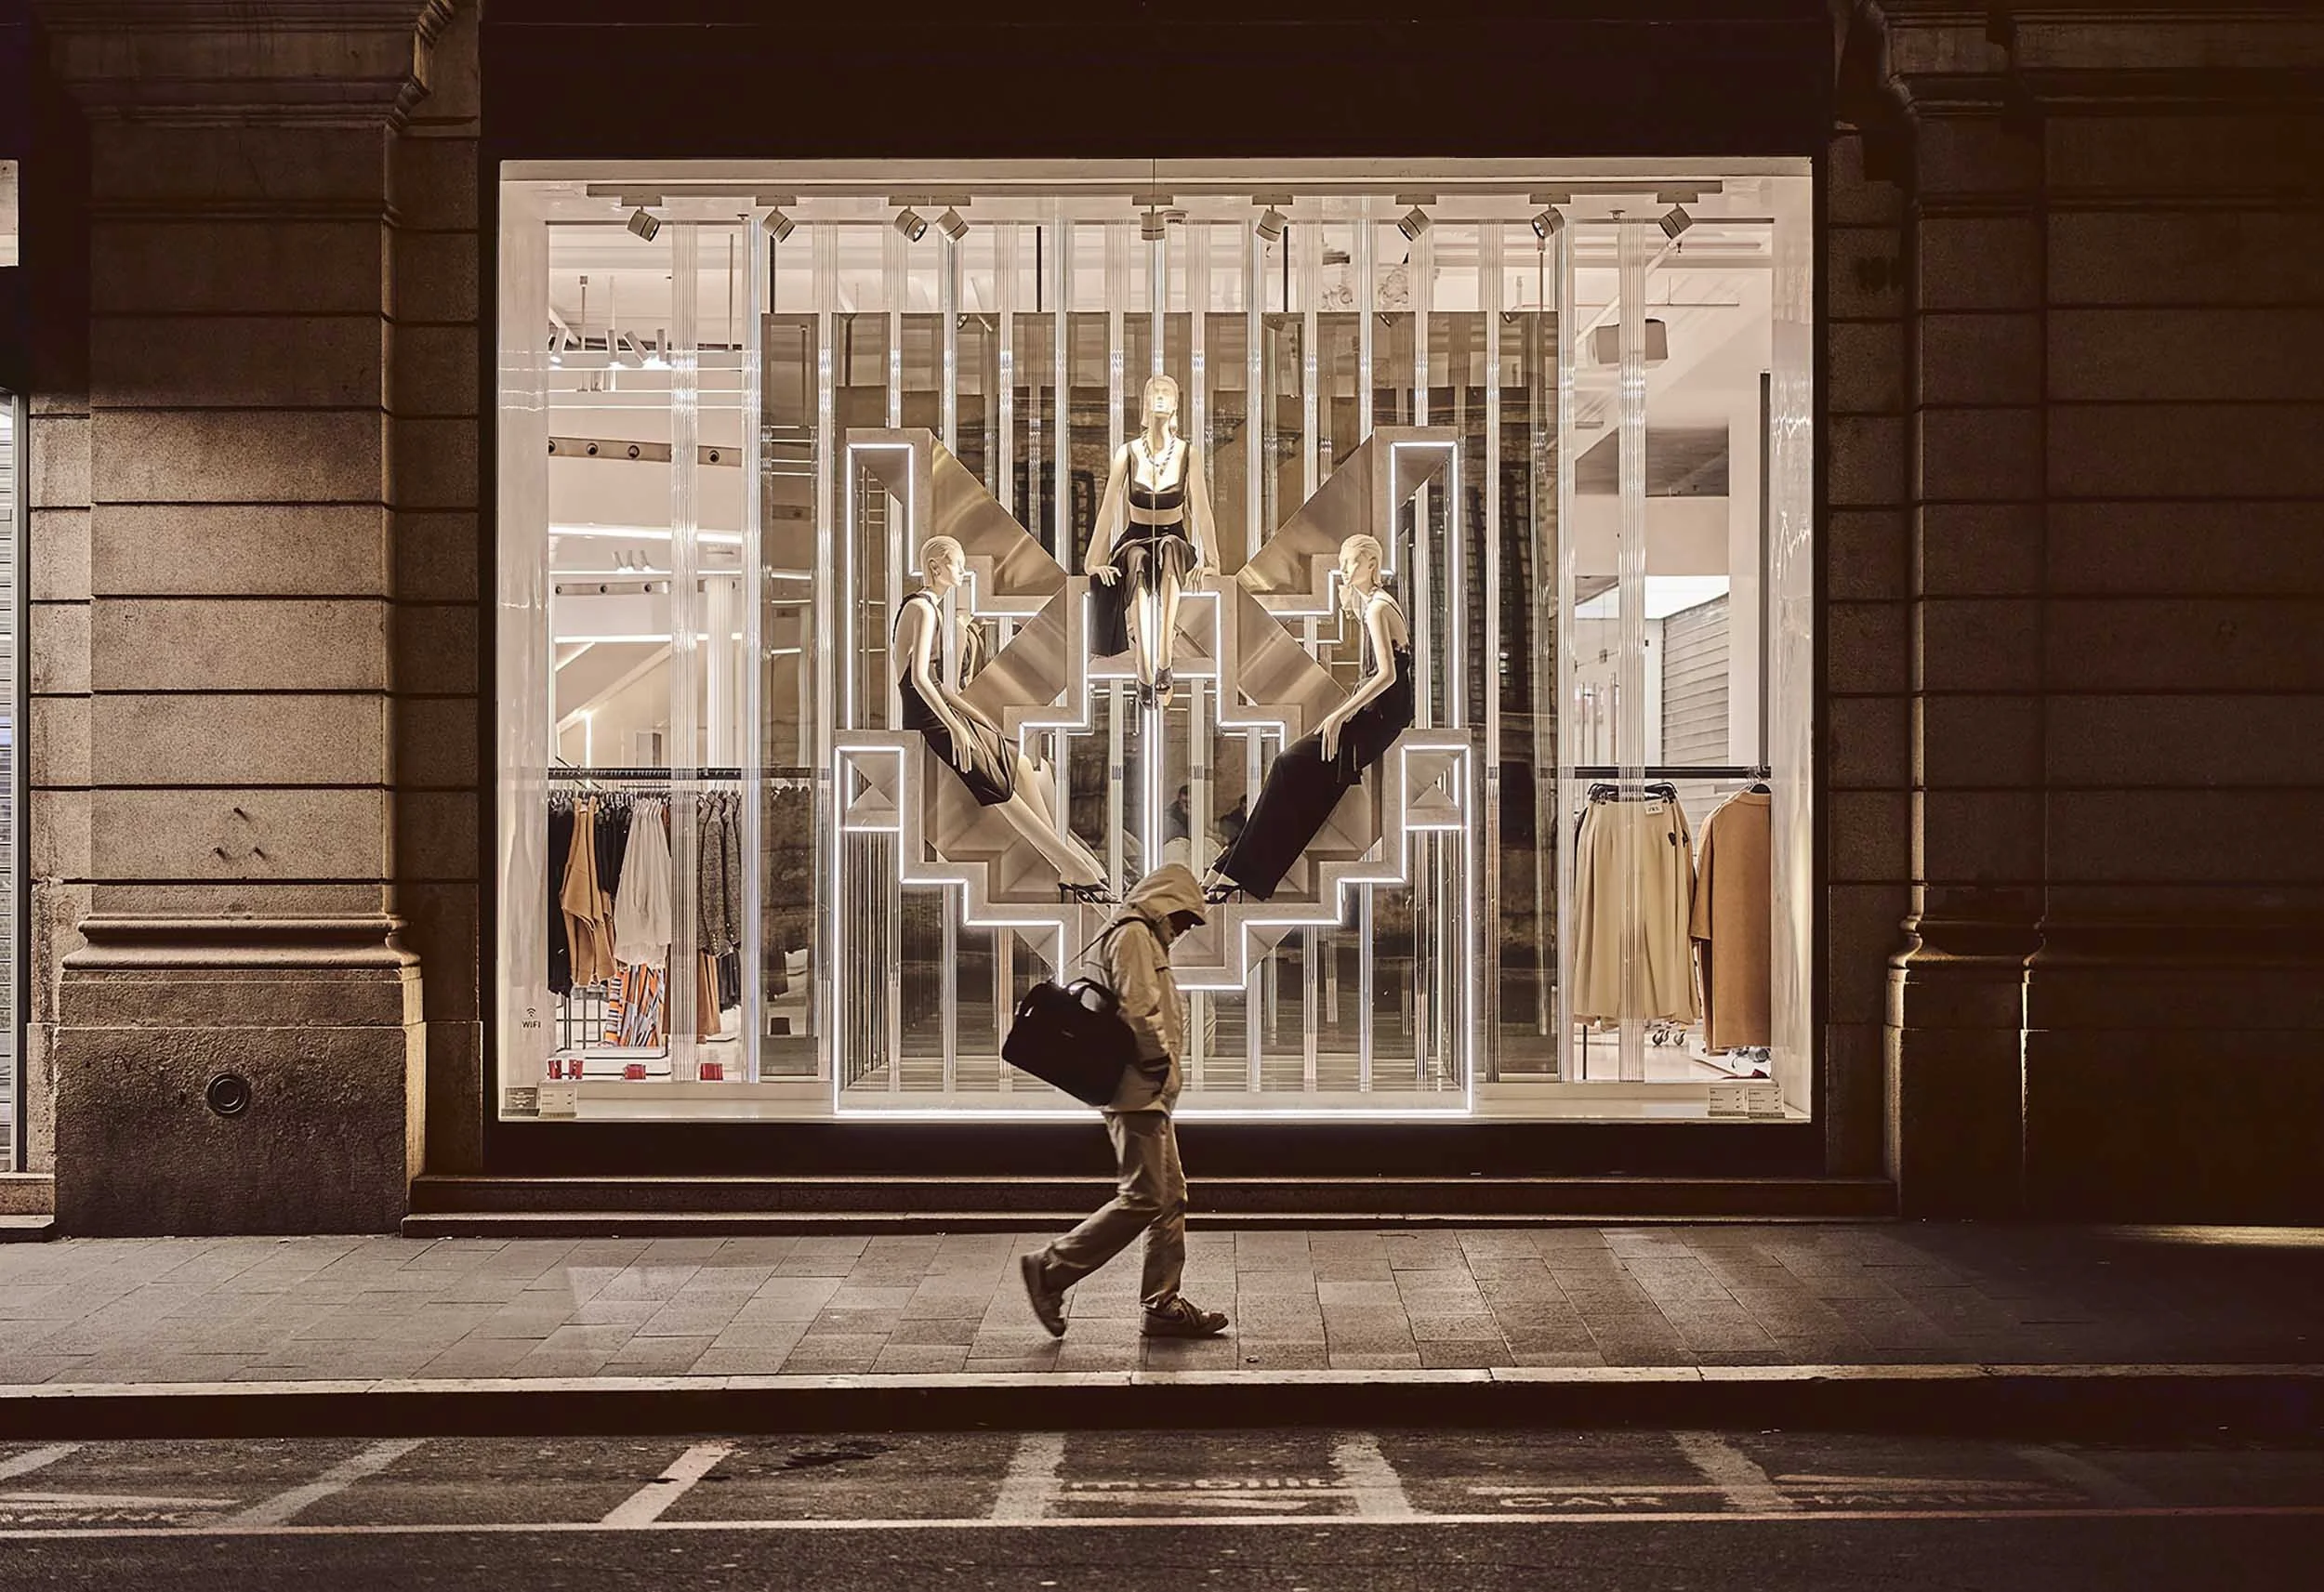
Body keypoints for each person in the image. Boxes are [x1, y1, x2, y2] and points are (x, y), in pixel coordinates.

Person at [1020, 862, 1229, 1339]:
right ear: (1163, 902)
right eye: (1181, 918)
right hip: (1137, 1089)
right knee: (1143, 1198)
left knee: (1169, 1198)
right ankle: (1050, 1270)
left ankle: (1162, 1304)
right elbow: (1140, 1009)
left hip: (1147, 1091)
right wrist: (1157, 1065)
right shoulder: (1134, 934)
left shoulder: (1142, 935)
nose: (1181, 930)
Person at [898, 534, 1112, 900]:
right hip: (924, 714)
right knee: (997, 785)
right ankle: (1073, 867)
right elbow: (916, 678)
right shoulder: (923, 608)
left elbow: (939, 683)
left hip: (939, 707)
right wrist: (955, 728)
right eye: (957, 564)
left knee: (1018, 762)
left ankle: (1066, 856)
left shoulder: (933, 608)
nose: (963, 572)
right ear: (935, 567)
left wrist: (975, 718)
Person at [1086, 374, 1221, 710]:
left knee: (1170, 549)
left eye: (1167, 393)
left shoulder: (1188, 453)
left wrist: (1214, 560)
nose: (1160, 397)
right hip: (1134, 539)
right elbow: (1106, 510)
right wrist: (1092, 560)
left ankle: (1165, 655)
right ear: (1145, 403)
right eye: (1154, 392)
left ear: (1176, 404)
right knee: (1136, 559)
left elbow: (1201, 509)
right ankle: (1144, 665)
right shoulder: (1128, 453)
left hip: (1173, 537)